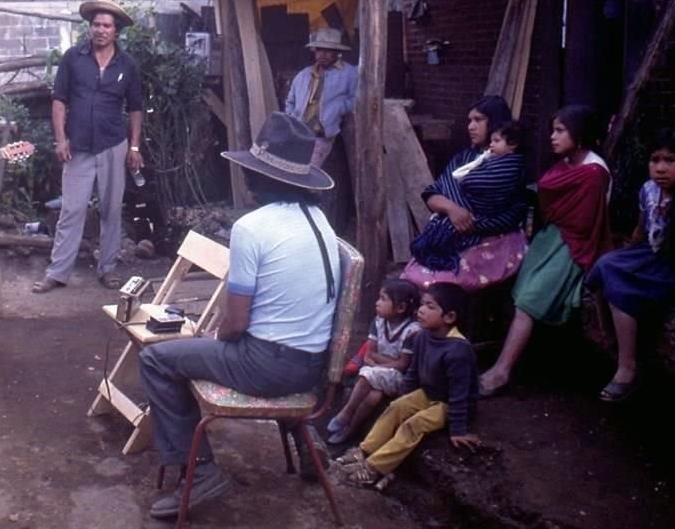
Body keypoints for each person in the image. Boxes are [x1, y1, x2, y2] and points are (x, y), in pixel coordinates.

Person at [138, 112, 339, 520]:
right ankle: (304, 434)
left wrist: (210, 338)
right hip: (313, 369)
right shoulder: (320, 221)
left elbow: (236, 324)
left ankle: (201, 472)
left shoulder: (252, 227)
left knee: (156, 359)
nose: (246, 178)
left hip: (267, 366)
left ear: (263, 178)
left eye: (252, 170)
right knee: (214, 344)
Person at [479, 105, 612, 396]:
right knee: (517, 287)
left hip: (575, 243)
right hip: (551, 238)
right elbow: (548, 191)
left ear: (579, 134)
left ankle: (501, 372)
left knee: (529, 299)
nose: (553, 137)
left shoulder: (593, 172)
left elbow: (583, 221)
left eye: (560, 130)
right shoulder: (566, 163)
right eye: (553, 130)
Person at [32, 0, 143, 293]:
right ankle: (57, 273)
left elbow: (135, 108)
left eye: (107, 26)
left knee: (111, 210)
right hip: (78, 146)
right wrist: (60, 139)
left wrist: (133, 147)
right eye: (96, 25)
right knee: (71, 210)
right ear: (90, 28)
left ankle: (108, 269)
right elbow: (59, 101)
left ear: (115, 31)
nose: (101, 30)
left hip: (113, 144)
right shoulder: (73, 58)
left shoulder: (127, 64)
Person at [335, 282, 479, 487]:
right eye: (422, 304)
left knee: (413, 425)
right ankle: (364, 450)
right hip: (429, 393)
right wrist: (403, 396)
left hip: (448, 403)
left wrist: (457, 430)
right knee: (395, 408)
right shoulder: (422, 337)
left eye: (430, 306)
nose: (421, 310)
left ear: (449, 318)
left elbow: (459, 394)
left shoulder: (458, 351)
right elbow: (412, 374)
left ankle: (374, 468)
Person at [587, 128, 675, 402]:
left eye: (670, 160)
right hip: (648, 252)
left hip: (672, 262)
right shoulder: (648, 190)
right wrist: (628, 251)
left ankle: (627, 367)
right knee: (604, 265)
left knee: (621, 288)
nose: (661, 168)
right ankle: (610, 340)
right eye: (655, 160)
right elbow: (642, 229)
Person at [402, 95, 528, 291]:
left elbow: (494, 204)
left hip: (493, 238)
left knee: (444, 287)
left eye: (478, 120)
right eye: (470, 120)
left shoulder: (510, 164)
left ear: (495, 122)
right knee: (411, 280)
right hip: (453, 233)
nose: (470, 126)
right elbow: (432, 194)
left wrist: (462, 206)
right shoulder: (465, 158)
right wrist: (452, 209)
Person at [326, 278, 421, 444]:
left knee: (367, 374)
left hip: (398, 379)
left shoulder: (411, 331)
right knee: (373, 397)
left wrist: (377, 363)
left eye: (383, 299)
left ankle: (346, 412)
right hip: (379, 373)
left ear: (400, 308)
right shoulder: (378, 322)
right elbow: (369, 354)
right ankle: (350, 431)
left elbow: (403, 365)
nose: (377, 303)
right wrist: (384, 362)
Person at [283, 27, 357, 168]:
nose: (322, 54)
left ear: (337, 52)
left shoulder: (349, 73)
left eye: (328, 50)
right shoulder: (304, 74)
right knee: (291, 171)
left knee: (308, 173)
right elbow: (290, 101)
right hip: (299, 134)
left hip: (322, 135)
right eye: (319, 49)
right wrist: (292, 117)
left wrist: (338, 108)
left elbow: (356, 99)